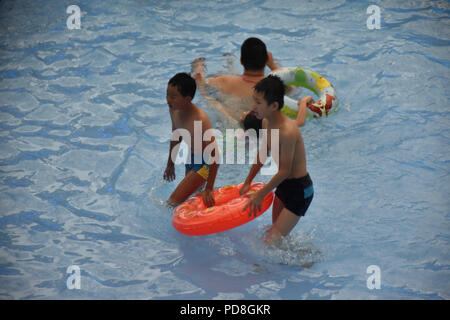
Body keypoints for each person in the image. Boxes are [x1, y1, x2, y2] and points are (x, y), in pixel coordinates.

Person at [239, 75, 314, 245]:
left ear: (273, 105)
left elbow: (285, 170)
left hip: (300, 191)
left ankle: (307, 259)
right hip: (284, 186)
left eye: (258, 102)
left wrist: (260, 193)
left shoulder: (287, 132)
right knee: (274, 234)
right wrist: (247, 181)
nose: (253, 106)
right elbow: (263, 154)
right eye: (254, 101)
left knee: (270, 242)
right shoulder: (266, 122)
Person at [192, 37, 279, 126]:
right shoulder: (273, 88)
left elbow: (202, 85)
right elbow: (292, 88)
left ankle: (228, 64)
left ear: (241, 60)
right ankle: (230, 65)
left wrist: (198, 73)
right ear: (266, 60)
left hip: (230, 126)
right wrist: (273, 65)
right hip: (261, 129)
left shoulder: (223, 81)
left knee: (211, 99)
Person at [163, 73, 219, 207]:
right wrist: (171, 164)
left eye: (173, 96)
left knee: (172, 203)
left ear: (187, 99)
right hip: (191, 158)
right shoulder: (174, 109)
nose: (168, 99)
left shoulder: (200, 120)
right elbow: (176, 136)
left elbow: (215, 155)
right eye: (167, 94)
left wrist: (209, 187)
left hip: (204, 164)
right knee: (193, 199)